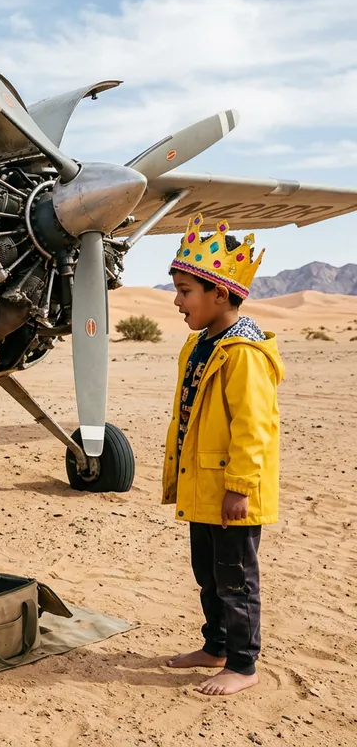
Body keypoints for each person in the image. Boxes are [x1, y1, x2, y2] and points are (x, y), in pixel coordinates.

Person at [162, 215, 284, 696]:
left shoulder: (244, 353)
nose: (176, 301)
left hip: (231, 491)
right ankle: (214, 646)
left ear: (219, 293)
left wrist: (240, 487)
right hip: (203, 485)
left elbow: (254, 430)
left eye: (185, 290)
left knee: (236, 580)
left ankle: (242, 664)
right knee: (208, 575)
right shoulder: (200, 344)